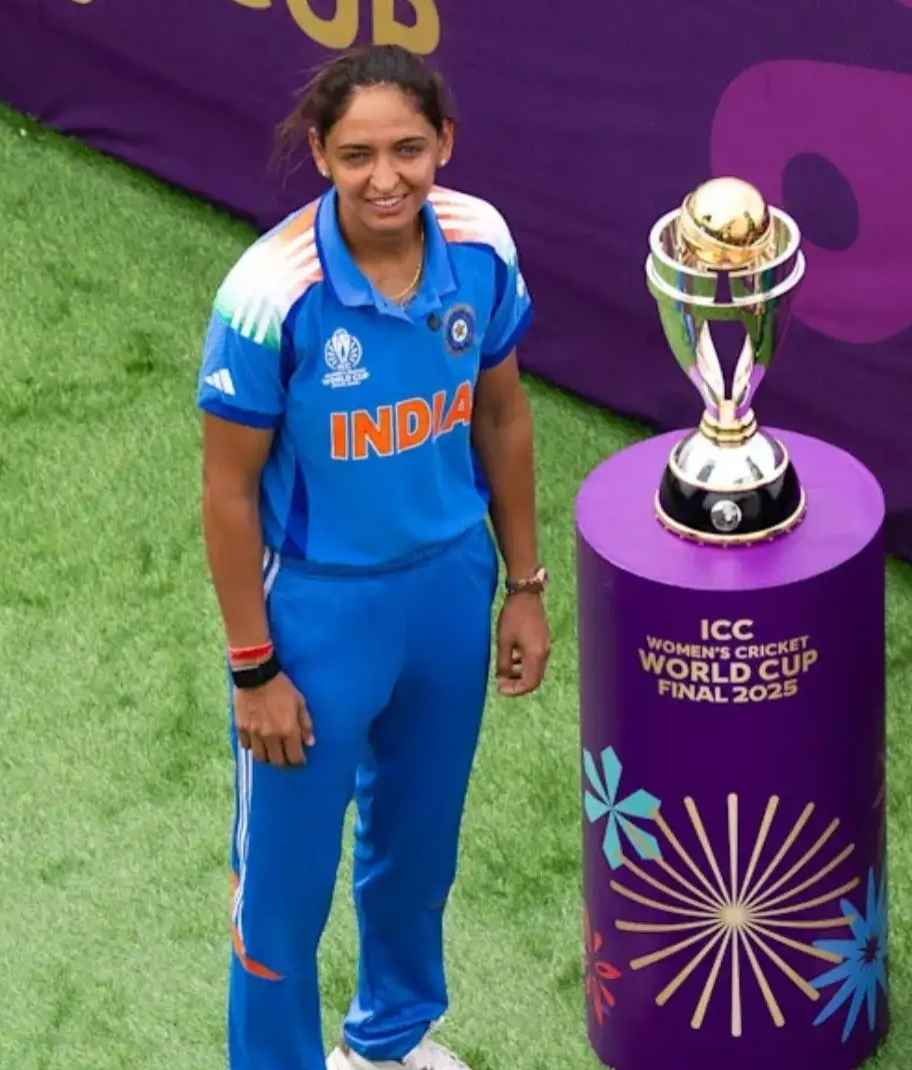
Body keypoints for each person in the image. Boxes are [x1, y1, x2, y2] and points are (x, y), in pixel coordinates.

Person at [197, 43, 551, 1070]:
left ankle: (388, 1043)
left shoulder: (481, 245)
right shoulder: (269, 293)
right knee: (282, 888)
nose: (385, 177)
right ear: (319, 154)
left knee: (418, 847)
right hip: (318, 616)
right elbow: (226, 493)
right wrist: (254, 667)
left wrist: (524, 585)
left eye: (408, 149)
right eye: (357, 155)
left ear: (445, 142)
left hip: (447, 591)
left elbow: (501, 414)